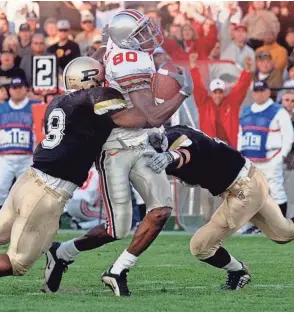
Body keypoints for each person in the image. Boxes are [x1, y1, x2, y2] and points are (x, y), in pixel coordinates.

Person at [43, 10, 193, 297]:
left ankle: (118, 270)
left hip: (140, 143)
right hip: (114, 147)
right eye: (139, 33)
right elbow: (153, 116)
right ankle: (62, 252)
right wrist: (182, 93)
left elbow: (99, 52)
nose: (147, 37)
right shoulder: (130, 61)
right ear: (125, 38)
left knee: (160, 211)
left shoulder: (113, 46)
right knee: (117, 228)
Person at [0, 56, 189, 281]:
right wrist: (181, 94)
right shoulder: (94, 98)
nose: (104, 83)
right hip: (48, 192)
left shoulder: (57, 102)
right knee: (16, 263)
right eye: (100, 79)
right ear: (89, 81)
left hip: (27, 181)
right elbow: (149, 118)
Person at [143, 124, 294, 290]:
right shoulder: (173, 134)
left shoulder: (177, 139)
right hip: (250, 178)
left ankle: (238, 272)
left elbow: (188, 148)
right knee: (284, 233)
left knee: (200, 246)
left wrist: (171, 156)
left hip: (243, 189)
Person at [239, 81, 293, 219]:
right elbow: (241, 134)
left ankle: (280, 226)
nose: (259, 94)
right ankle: (256, 226)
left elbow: (289, 135)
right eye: (256, 91)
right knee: (251, 193)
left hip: (271, 157)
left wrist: (281, 156)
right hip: (250, 160)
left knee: (276, 191)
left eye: (262, 90)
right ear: (252, 93)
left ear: (269, 92)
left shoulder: (278, 111)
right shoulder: (246, 111)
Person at [0, 77, 40, 209]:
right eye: (14, 88)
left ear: (26, 89)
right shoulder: (1, 108)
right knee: (0, 189)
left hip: (28, 157)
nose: (17, 91)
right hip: (5, 157)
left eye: (20, 88)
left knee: (27, 192)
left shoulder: (35, 106)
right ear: (10, 90)